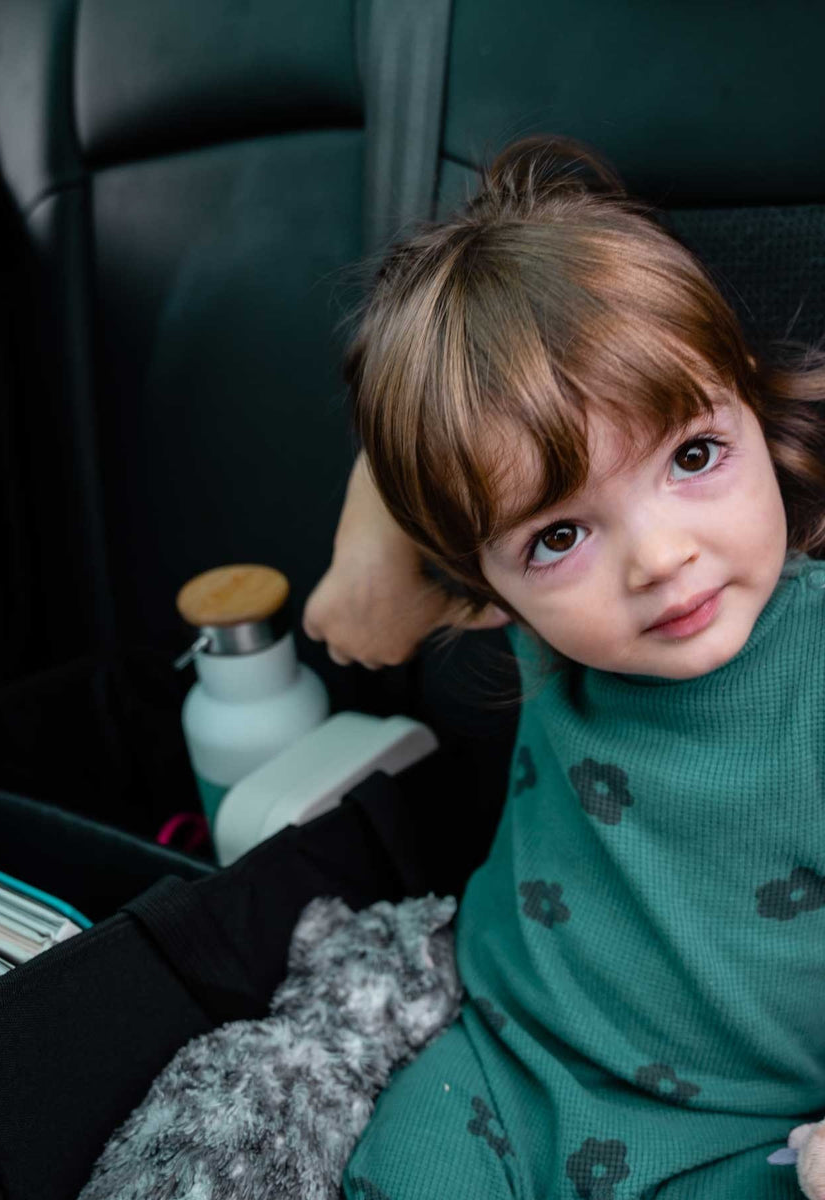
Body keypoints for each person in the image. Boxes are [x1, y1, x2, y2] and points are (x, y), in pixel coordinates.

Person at [321, 135, 825, 1198]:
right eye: (560, 535)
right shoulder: (544, 626)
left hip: (753, 1138)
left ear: (752, 402)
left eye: (693, 457)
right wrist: (365, 553)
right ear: (488, 582)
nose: (659, 559)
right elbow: (442, 476)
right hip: (505, 1073)